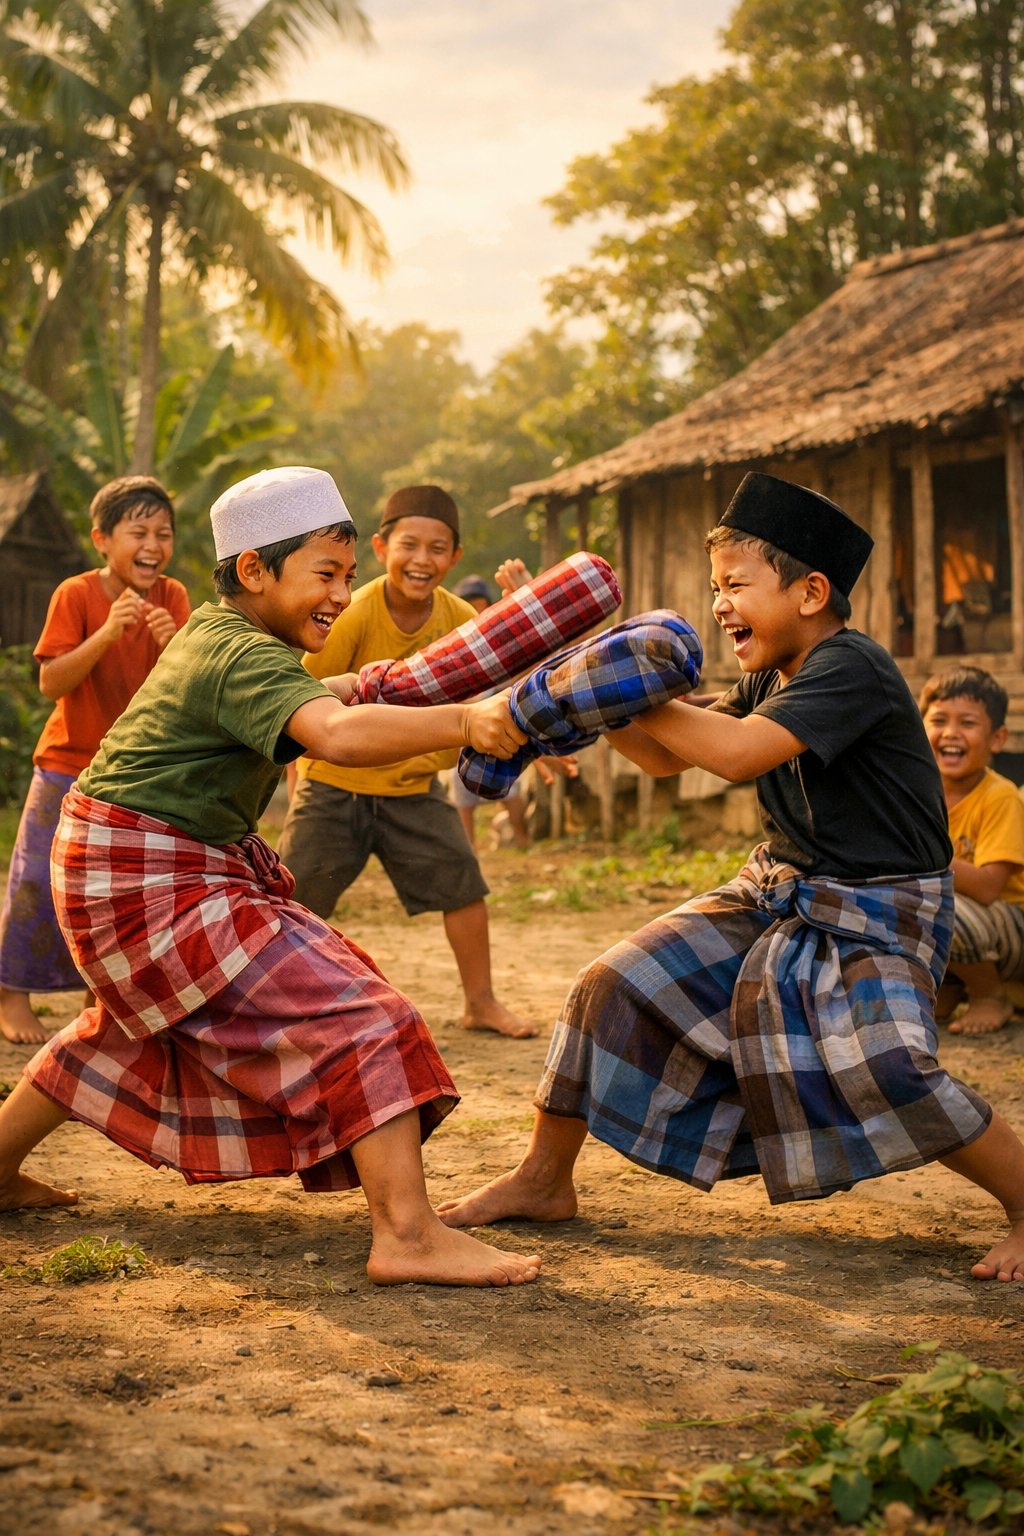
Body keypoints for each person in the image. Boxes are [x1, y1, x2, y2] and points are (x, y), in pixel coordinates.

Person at [438, 471, 1024, 1285]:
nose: (718, 604)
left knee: (891, 1068)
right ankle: (543, 1179)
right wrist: (581, 678)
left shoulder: (851, 665)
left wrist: (604, 681)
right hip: (780, 888)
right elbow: (662, 758)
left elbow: (738, 754)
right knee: (611, 985)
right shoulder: (766, 676)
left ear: (810, 592)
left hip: (880, 913)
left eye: (735, 585)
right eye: (715, 587)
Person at [0, 467, 542, 1289]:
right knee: (359, 1010)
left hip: (123, 864)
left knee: (125, 1029)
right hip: (145, 876)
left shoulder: (227, 637)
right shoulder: (240, 652)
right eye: (324, 575)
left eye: (347, 576)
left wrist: (387, 683)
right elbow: (337, 734)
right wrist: (466, 720)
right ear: (253, 570)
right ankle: (408, 1234)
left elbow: (325, 695)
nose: (341, 596)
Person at [277, 486, 537, 1038]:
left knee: (464, 889)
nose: (422, 560)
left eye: (437, 549)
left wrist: (540, 748)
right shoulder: (351, 612)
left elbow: (495, 695)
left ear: (455, 558)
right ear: (380, 548)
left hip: (415, 787)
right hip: (333, 785)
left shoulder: (462, 618)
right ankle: (277, 1008)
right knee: (292, 902)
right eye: (409, 545)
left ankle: (481, 1002)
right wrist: (297, 780)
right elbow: (301, 700)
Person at [0, 476, 189, 1045]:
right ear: (102, 540)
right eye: (139, 533)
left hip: (134, 771)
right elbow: (51, 682)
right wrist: (107, 633)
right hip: (67, 761)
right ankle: (11, 996)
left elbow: (189, 689)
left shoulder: (173, 599)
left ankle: (98, 1003)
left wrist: (174, 645)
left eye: (163, 533)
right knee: (36, 880)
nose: (153, 545)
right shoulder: (76, 593)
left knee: (115, 892)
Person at [921, 666, 1024, 1035]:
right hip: (967, 925)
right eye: (939, 721)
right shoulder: (918, 796)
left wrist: (922, 851)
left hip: (1011, 930)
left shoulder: (1000, 796)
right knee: (897, 898)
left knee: (934, 900)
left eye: (967, 723)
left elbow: (987, 888)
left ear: (997, 739)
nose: (951, 732)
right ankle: (950, 986)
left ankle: (988, 993)